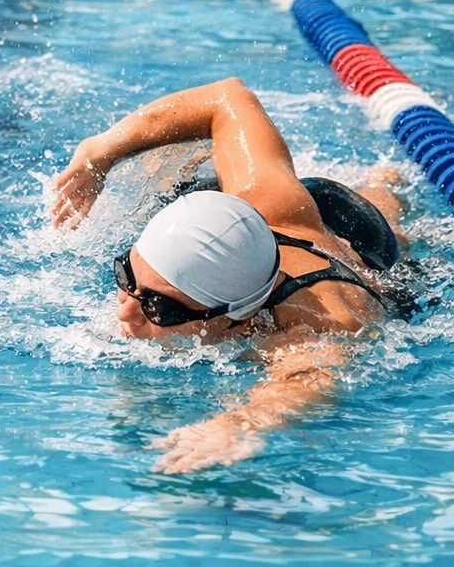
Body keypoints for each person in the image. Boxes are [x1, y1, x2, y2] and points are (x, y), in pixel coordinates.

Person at [50, 77, 413, 475]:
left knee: (391, 236)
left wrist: (239, 422)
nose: (126, 314)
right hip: (273, 202)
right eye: (127, 276)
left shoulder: (320, 322)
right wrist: (103, 150)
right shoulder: (251, 198)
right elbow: (228, 96)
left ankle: (383, 184)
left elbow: (310, 378)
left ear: (237, 317)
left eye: (161, 308)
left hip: (353, 236)